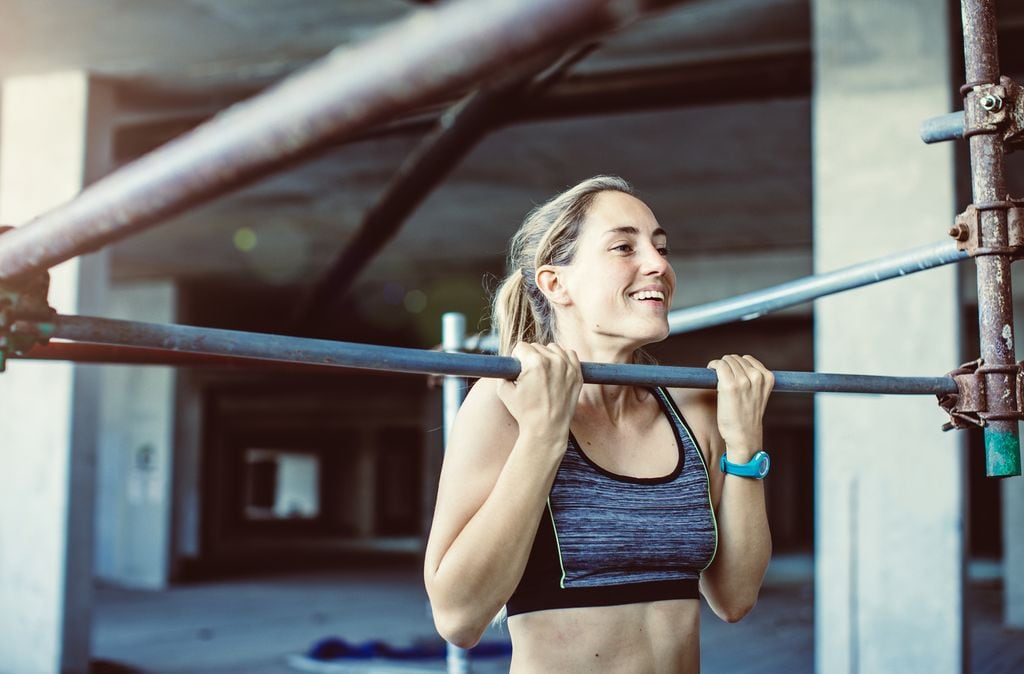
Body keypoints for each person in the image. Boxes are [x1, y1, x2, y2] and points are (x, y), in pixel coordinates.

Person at [423, 176, 773, 672]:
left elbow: (735, 599)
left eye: (661, 247)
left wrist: (744, 444)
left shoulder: (691, 408)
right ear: (555, 283)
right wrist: (543, 437)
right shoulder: (502, 404)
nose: (658, 264)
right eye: (623, 247)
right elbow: (458, 618)